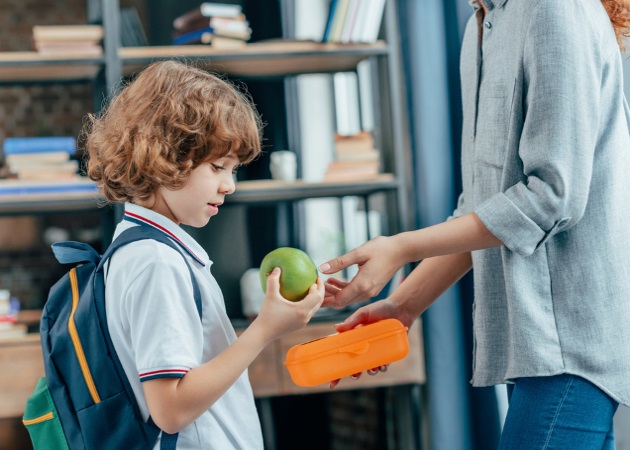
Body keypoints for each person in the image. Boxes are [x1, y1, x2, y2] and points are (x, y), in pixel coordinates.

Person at [319, 0, 630, 447]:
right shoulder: (481, 27)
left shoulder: (554, 9)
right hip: (533, 343)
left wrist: (401, 247)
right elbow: (485, 207)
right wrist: (403, 306)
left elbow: (551, 198)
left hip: (570, 343)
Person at [84, 60, 324, 449]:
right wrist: (265, 328)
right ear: (165, 156)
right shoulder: (155, 262)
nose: (229, 185)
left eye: (233, 170)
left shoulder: (144, 248)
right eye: (217, 167)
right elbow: (171, 409)